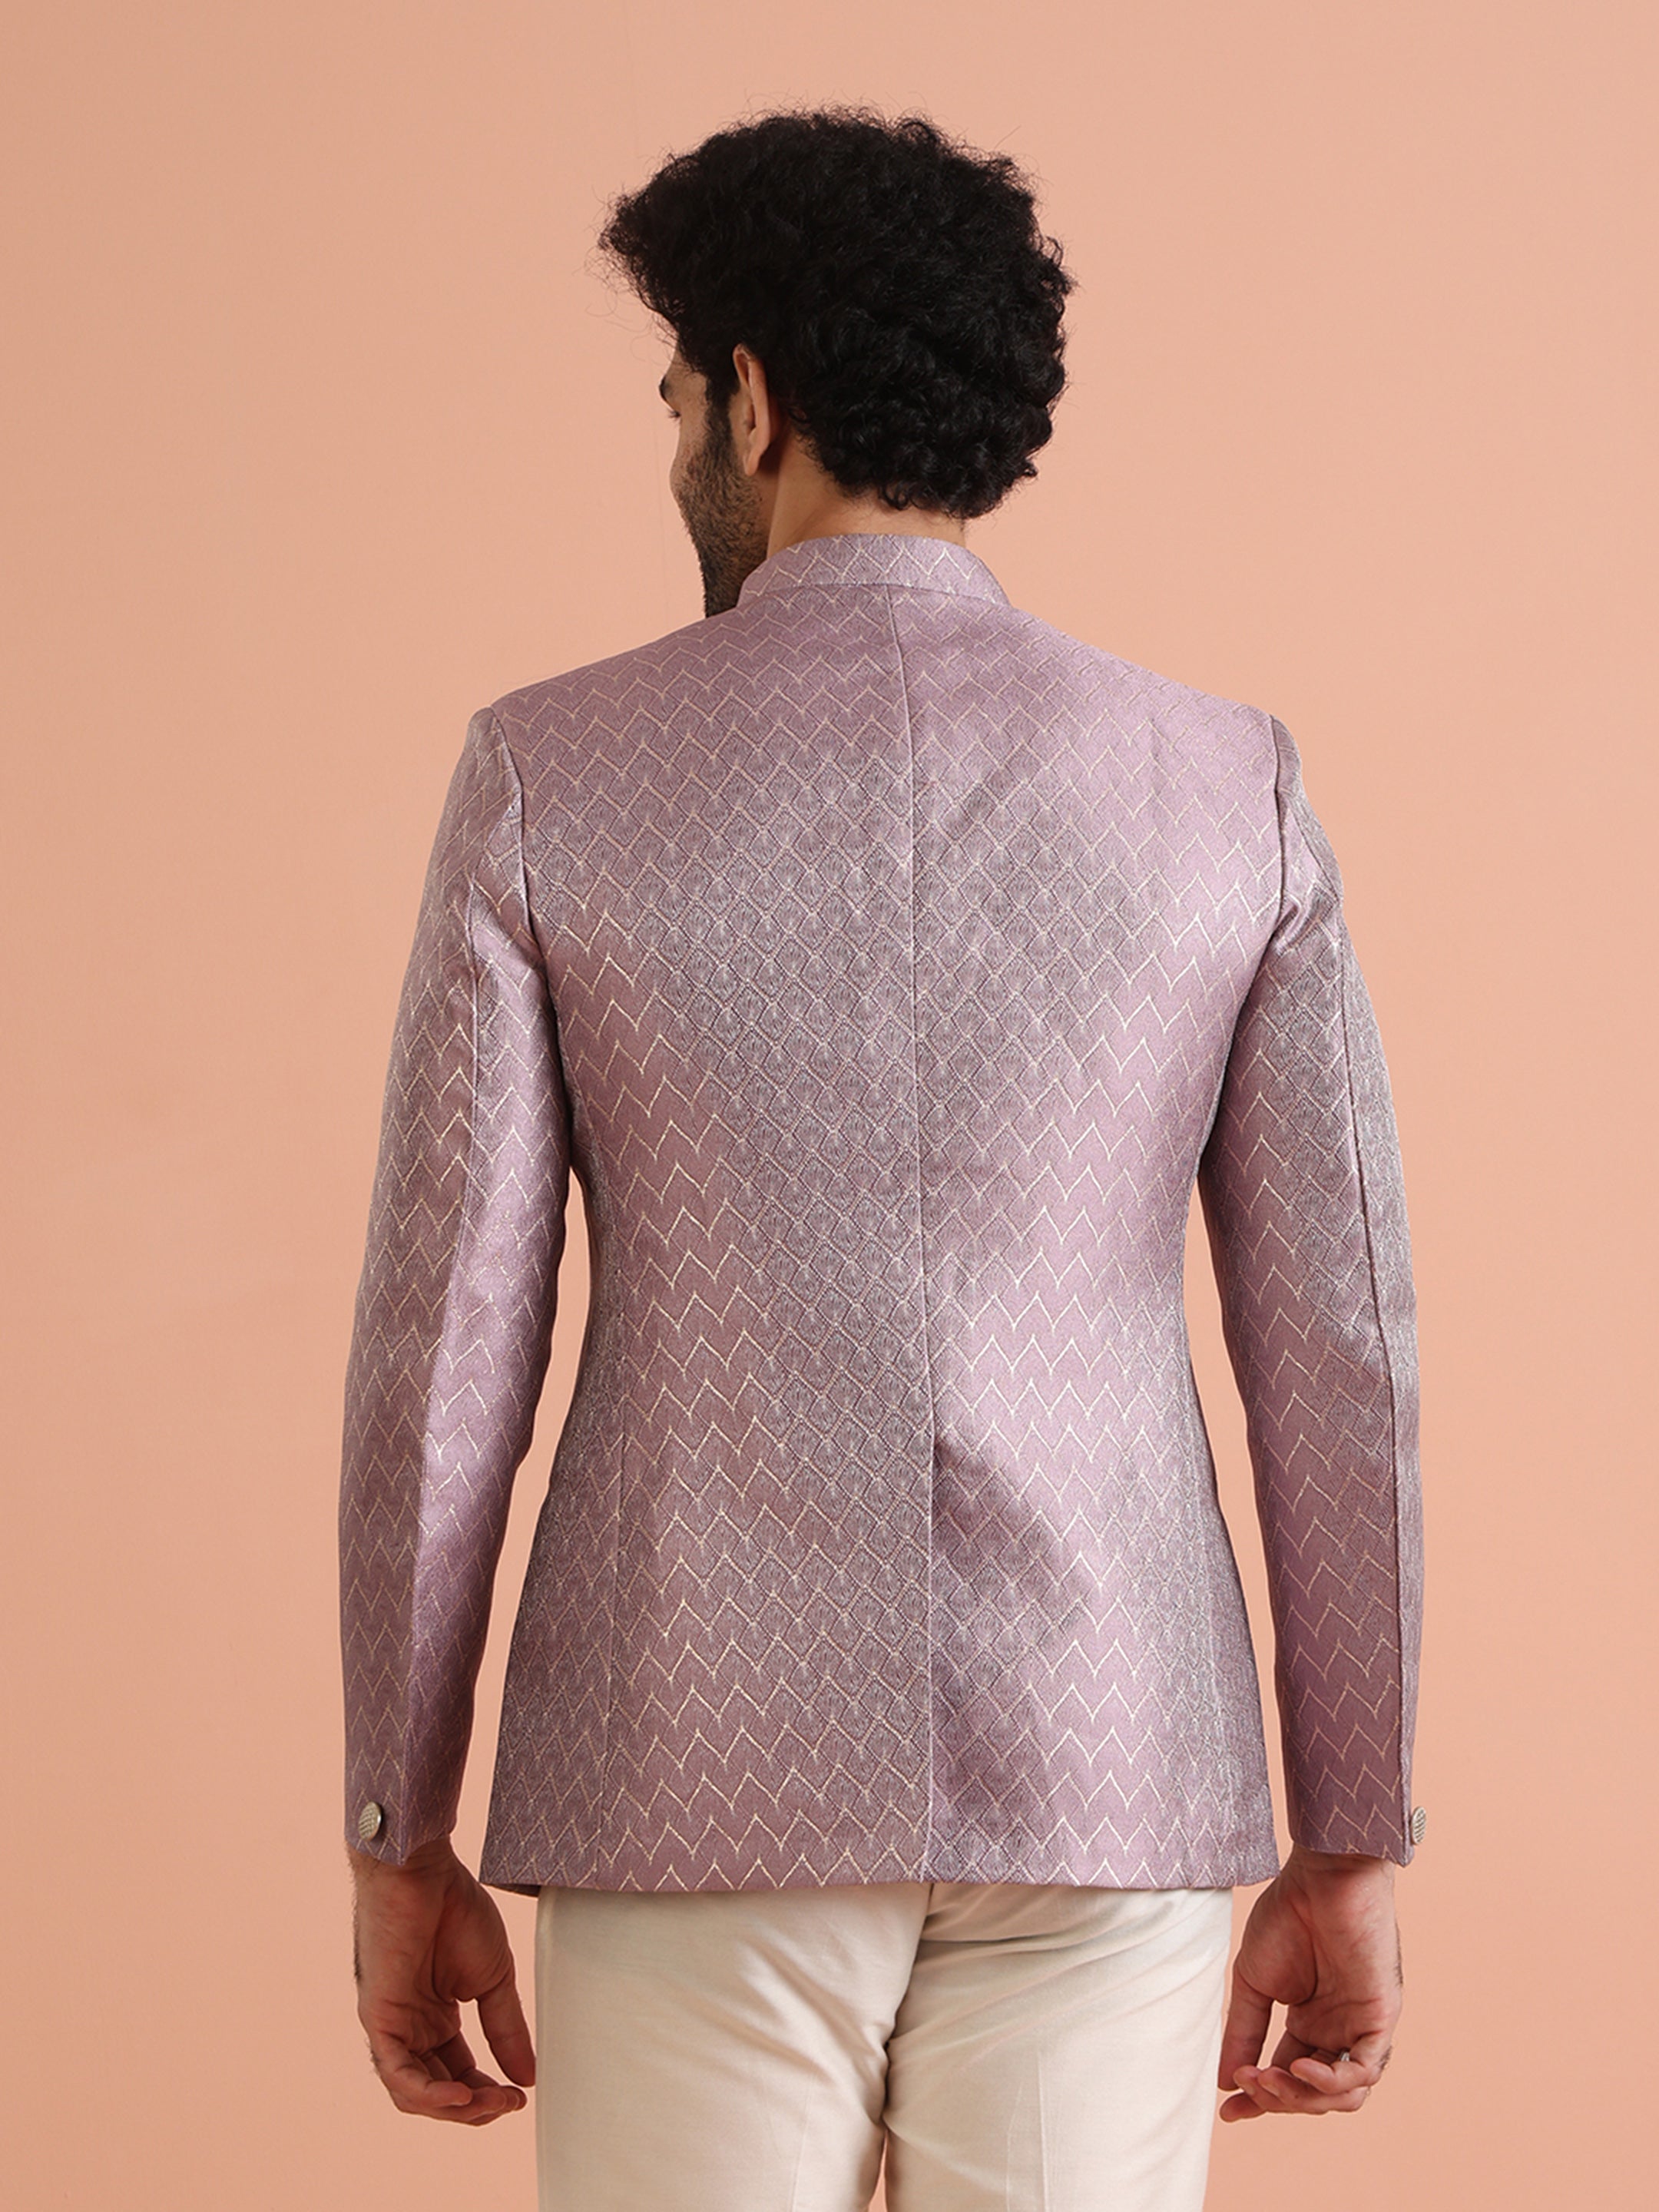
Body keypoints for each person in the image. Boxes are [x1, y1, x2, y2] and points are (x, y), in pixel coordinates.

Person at [339, 104, 1424, 2212]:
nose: (681, 442)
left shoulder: (551, 773)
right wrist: (1355, 1828)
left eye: (679, 396)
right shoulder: (1230, 787)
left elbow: (444, 1349)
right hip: (1108, 1762)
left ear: (753, 402)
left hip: (687, 1773)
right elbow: (1342, 1349)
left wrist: (401, 1825)